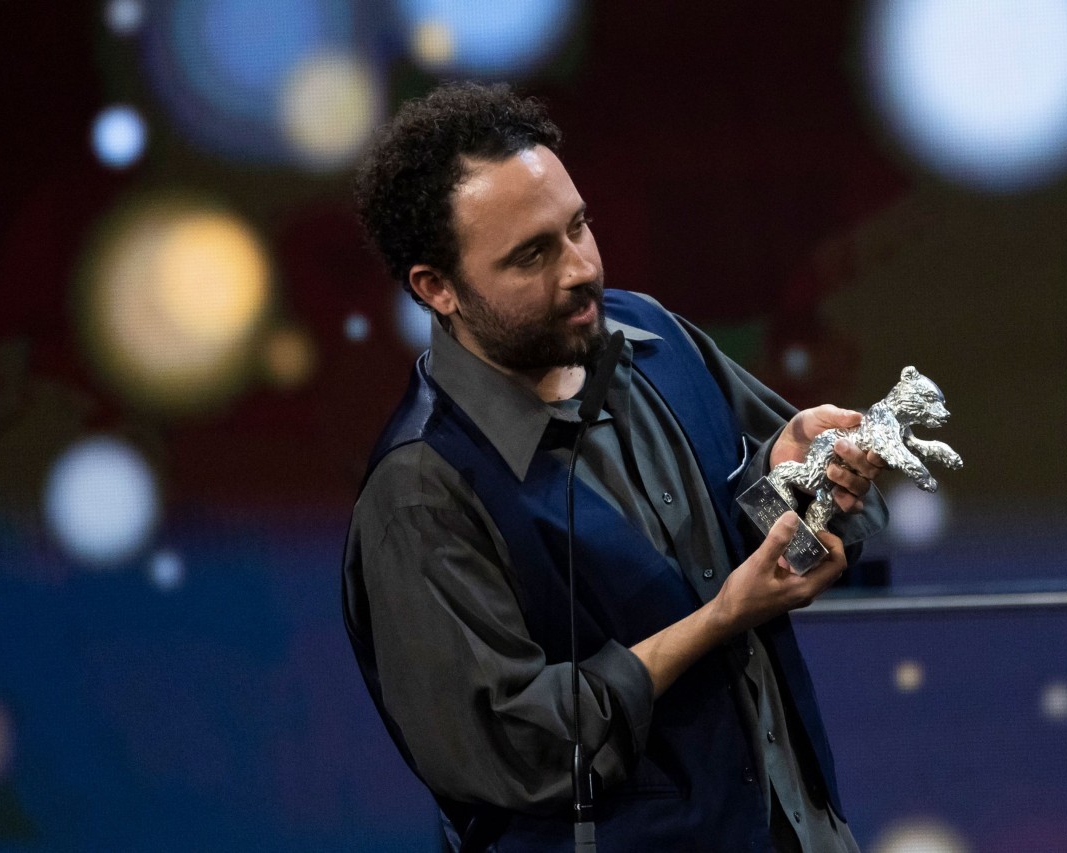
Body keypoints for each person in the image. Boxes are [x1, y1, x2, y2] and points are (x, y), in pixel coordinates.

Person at [342, 82, 888, 853]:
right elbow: (513, 750)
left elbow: (791, 542)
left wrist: (803, 478)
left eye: (578, 227)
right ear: (437, 288)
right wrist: (718, 621)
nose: (579, 270)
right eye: (532, 254)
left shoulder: (652, 335)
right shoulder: (422, 490)